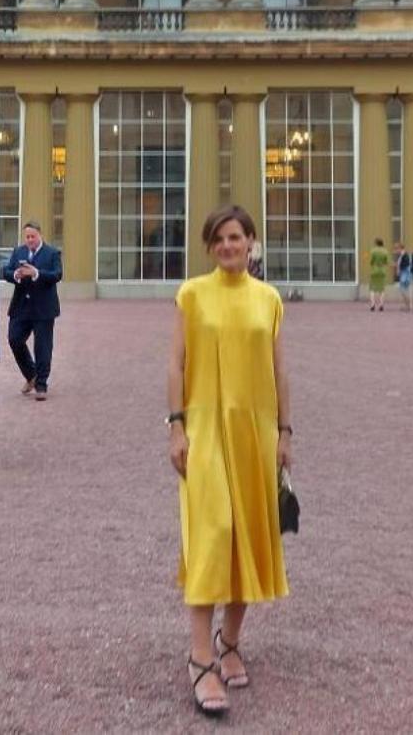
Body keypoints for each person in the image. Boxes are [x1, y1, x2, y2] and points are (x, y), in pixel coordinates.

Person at [167, 205, 291, 717]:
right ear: (209, 247)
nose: (227, 246)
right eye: (218, 239)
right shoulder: (193, 294)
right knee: (212, 532)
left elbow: (280, 370)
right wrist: (175, 425)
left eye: (235, 237)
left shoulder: (269, 299)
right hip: (203, 429)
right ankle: (201, 659)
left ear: (251, 242)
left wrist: (285, 433)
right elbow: (176, 362)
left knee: (247, 536)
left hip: (255, 430)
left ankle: (232, 641)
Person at [3, 221, 62, 401]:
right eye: (27, 236)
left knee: (42, 346)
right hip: (21, 306)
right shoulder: (18, 251)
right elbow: (6, 271)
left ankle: (41, 384)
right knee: (14, 339)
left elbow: (57, 274)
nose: (29, 240)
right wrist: (16, 275)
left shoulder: (52, 253)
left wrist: (36, 273)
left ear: (40, 235)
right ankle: (31, 375)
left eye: (32, 236)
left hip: (44, 308)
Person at [368, 237, 388, 311]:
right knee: (382, 289)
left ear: (376, 243)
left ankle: (372, 304)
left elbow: (371, 261)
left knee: (372, 289)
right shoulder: (385, 251)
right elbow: (387, 261)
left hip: (374, 270)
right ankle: (381, 304)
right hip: (382, 270)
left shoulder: (373, 251)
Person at [394, 242, 412, 311]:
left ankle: (408, 306)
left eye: (396, 249)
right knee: (404, 290)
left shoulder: (405, 255)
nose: (395, 251)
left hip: (405, 274)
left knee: (403, 290)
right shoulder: (402, 255)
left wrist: (397, 267)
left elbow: (406, 265)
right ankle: (407, 306)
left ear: (400, 248)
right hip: (404, 274)